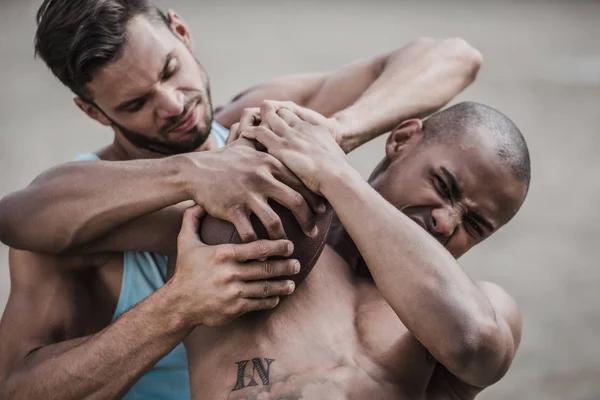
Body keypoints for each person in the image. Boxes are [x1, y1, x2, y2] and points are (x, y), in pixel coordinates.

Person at [0, 0, 483, 398]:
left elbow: (454, 57)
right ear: (92, 110)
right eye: (135, 104)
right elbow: (17, 390)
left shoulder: (256, 119)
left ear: (181, 31)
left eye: (170, 71)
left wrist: (334, 135)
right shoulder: (71, 214)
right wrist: (178, 305)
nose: (173, 105)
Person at [4, 99, 531, 400]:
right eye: (443, 186)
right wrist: (187, 172)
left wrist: (335, 173)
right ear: (401, 140)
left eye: (475, 224)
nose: (445, 220)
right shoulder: (258, 221)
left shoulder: (479, 309)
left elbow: (473, 348)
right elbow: (23, 218)